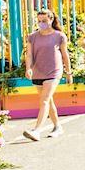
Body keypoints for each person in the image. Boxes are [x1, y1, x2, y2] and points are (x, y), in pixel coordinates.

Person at [22, 10, 69, 142]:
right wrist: (28, 68)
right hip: (38, 71)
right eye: (39, 21)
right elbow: (29, 54)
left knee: (44, 100)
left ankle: (36, 130)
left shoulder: (59, 36)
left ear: (51, 20)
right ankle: (57, 126)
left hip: (54, 71)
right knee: (48, 100)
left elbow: (65, 55)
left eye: (44, 21)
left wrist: (69, 72)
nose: (41, 23)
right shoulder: (32, 37)